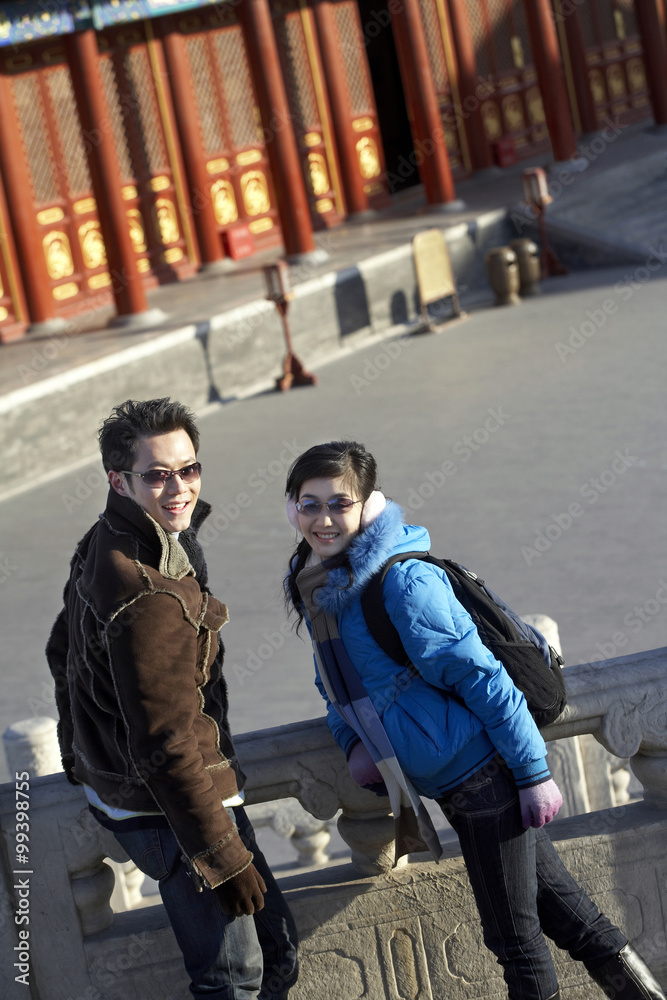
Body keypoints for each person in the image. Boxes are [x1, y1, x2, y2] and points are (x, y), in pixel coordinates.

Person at [283, 439, 665, 1000]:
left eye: (339, 503)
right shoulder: (322, 585)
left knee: (514, 941)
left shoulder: (403, 583)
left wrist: (534, 774)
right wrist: (352, 742)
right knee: (570, 920)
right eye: (308, 503)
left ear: (369, 505)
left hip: (484, 778)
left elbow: (483, 678)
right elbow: (334, 687)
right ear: (291, 508)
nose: (322, 518)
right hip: (453, 785)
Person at [47, 398, 298, 1000]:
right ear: (119, 479)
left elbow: (62, 653)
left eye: (189, 469)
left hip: (158, 794)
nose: (179, 487)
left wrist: (84, 758)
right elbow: (167, 740)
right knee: (232, 980)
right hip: (178, 812)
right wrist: (220, 856)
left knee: (279, 949)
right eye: (158, 475)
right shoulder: (146, 592)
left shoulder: (106, 538)